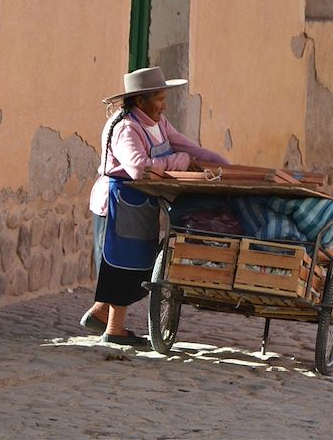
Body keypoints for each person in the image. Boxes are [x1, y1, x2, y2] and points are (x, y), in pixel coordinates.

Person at [80, 67, 229, 345]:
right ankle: (114, 331)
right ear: (140, 101)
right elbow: (139, 169)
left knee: (138, 263)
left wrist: (222, 164)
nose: (165, 104)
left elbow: (187, 147)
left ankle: (100, 313)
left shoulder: (159, 123)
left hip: (138, 203)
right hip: (117, 203)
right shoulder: (126, 128)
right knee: (120, 265)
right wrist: (179, 162)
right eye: (159, 99)